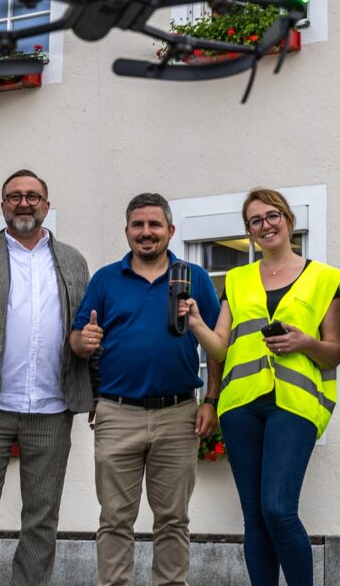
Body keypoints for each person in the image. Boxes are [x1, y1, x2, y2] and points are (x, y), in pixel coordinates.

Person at [184, 188, 340, 586]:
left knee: (277, 508)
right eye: (255, 221)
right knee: (254, 514)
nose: (265, 225)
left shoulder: (324, 278)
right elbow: (220, 346)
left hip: (295, 403)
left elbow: (334, 353)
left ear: (288, 219)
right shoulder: (236, 280)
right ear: (250, 232)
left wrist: (304, 343)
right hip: (240, 405)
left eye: (272, 216)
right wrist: (198, 324)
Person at [0, 169, 92, 586]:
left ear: (46, 205)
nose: (23, 203)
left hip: (51, 407)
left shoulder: (72, 260)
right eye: (14, 196)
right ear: (3, 204)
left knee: (42, 517)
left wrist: (95, 395)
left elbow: (87, 328)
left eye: (32, 196)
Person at [70, 192, 221, 586]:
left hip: (178, 414)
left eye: (155, 225)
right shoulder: (105, 279)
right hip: (118, 414)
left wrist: (211, 400)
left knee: (173, 519)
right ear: (127, 231)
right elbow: (76, 338)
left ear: (170, 230)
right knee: (115, 518)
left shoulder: (194, 278)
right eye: (138, 225)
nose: (146, 232)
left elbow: (219, 344)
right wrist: (82, 340)